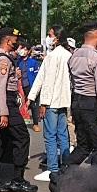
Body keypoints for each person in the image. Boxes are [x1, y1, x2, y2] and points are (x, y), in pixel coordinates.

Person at [52, 22, 97, 192]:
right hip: (91, 104)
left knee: (84, 146)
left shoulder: (74, 55)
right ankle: (94, 188)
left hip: (77, 102)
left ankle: (60, 177)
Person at [0, 28, 38, 192]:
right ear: (7, 41)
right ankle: (17, 180)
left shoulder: (1, 58)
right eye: (15, 41)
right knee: (22, 136)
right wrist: (4, 112)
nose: (17, 44)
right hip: (4, 103)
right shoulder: (3, 61)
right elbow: (0, 87)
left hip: (0, 103)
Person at [28, 25, 73, 184]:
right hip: (64, 101)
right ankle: (67, 166)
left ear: (57, 38)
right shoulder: (69, 55)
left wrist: (42, 102)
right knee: (63, 135)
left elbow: (46, 81)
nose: (48, 38)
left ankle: (52, 169)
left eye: (50, 35)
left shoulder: (52, 56)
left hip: (52, 102)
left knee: (50, 137)